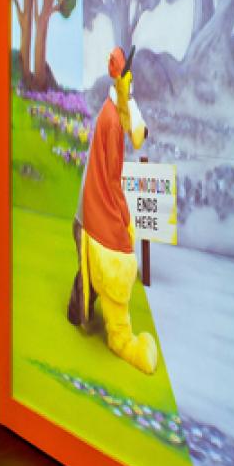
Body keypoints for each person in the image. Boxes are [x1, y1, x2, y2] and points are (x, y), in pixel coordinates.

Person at [69, 45, 157, 374]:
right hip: (92, 217)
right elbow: (110, 179)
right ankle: (113, 335)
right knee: (99, 273)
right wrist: (123, 219)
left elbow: (137, 130)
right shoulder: (112, 122)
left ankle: (77, 311)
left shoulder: (114, 110)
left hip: (87, 212)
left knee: (89, 274)